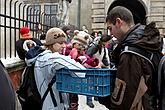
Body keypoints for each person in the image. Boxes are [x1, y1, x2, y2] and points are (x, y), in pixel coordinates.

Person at [99, 6, 163, 110]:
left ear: (119, 22)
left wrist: (104, 98)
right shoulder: (145, 41)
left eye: (110, 28)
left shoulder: (130, 52)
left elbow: (124, 100)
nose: (111, 34)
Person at [25, 27, 85, 110]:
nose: (64, 46)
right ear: (51, 43)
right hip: (52, 106)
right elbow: (82, 72)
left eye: (64, 42)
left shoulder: (42, 57)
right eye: (60, 43)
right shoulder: (50, 59)